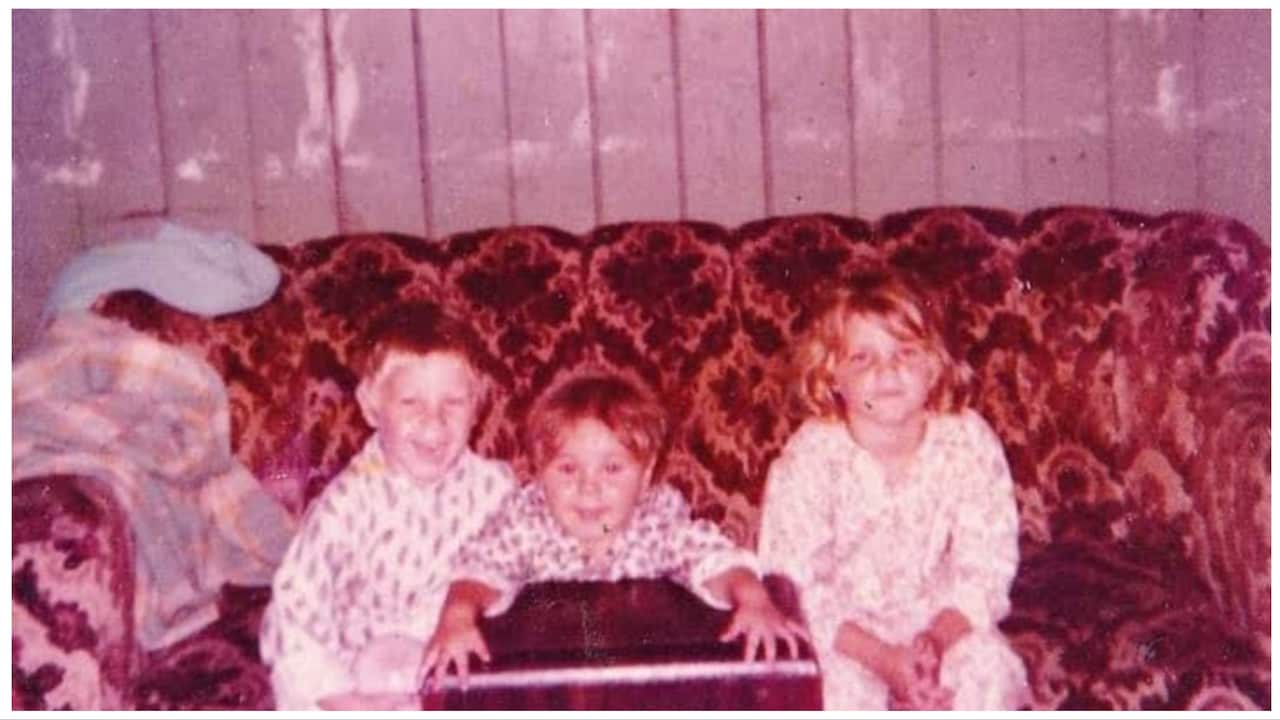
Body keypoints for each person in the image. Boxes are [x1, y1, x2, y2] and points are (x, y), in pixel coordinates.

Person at [420, 372, 810, 686]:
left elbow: (712, 557)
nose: (589, 488)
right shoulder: (528, 522)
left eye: (612, 468)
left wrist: (753, 599)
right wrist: (458, 616)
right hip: (552, 684)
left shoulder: (654, 522)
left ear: (645, 476)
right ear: (539, 471)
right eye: (568, 469)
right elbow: (481, 569)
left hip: (638, 680)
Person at [757, 273, 1029, 710]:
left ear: (934, 364)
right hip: (844, 635)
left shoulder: (967, 440)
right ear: (831, 376)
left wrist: (936, 640)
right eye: (862, 358)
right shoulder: (810, 457)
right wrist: (882, 659)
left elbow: (986, 566)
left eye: (905, 352)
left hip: (938, 620)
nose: (887, 371)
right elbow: (795, 582)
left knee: (988, 670)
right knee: (832, 694)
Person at [258, 302, 517, 710]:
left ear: (478, 404)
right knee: (300, 683)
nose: (434, 423)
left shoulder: (494, 489)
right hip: (354, 678)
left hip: (452, 671)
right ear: (371, 404)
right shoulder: (348, 503)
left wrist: (467, 605)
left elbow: (517, 560)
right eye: (411, 403)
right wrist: (344, 699)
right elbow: (294, 608)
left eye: (453, 403)